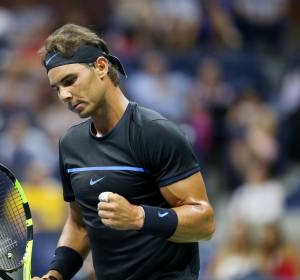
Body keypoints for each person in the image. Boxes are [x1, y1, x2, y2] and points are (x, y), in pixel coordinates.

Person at [32, 23, 215, 280]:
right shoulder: (71, 144)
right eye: (57, 88)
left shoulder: (155, 132)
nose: (64, 95)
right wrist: (57, 273)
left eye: (70, 81)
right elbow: (80, 223)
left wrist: (139, 216)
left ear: (101, 67)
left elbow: (204, 222)